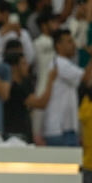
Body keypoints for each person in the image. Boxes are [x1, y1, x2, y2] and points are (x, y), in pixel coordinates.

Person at [42, 29, 92, 146]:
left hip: (66, 128)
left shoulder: (65, 64)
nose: (74, 44)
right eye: (69, 41)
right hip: (58, 129)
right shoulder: (59, 64)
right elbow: (88, 76)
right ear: (58, 45)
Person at [3, 52, 56, 143]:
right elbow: (41, 103)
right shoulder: (14, 89)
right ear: (14, 67)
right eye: (23, 63)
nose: (27, 66)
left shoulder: (24, 85)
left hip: (23, 136)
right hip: (16, 138)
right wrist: (51, 80)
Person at [32, 10, 60, 145]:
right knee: (38, 125)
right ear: (43, 25)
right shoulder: (37, 43)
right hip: (42, 85)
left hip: (58, 88)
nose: (57, 25)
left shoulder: (60, 43)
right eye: (53, 22)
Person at [0, 0, 35, 64]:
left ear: (5, 13)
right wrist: (1, 34)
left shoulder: (23, 33)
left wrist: (19, 35)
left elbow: (30, 58)